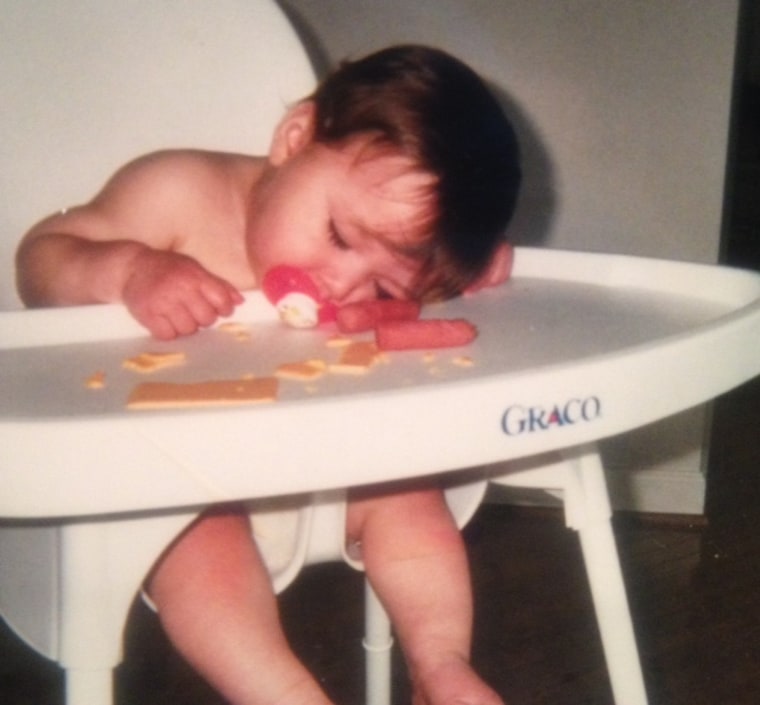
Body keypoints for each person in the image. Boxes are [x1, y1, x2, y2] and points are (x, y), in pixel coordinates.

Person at [16, 45, 520, 705]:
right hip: (179, 476)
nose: (341, 282)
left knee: (409, 495)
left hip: (324, 465)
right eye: (340, 236)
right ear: (294, 139)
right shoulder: (178, 193)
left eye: (381, 279)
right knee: (200, 547)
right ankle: (283, 692)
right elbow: (40, 259)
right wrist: (129, 269)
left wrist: (461, 275)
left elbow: (418, 294)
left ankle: (442, 665)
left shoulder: (376, 249)